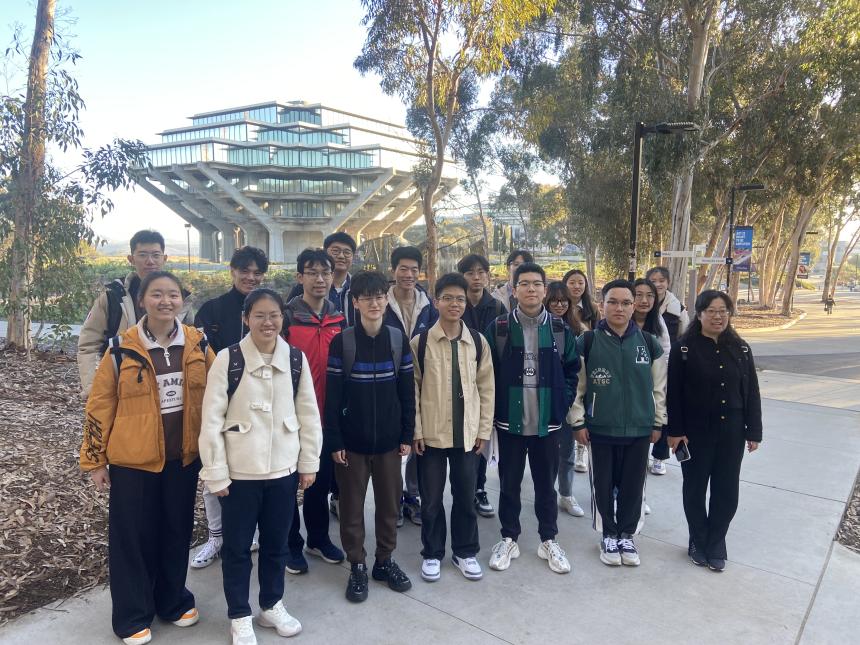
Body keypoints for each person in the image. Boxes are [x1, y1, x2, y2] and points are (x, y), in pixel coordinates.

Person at [80, 271, 213, 645]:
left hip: (182, 458)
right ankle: (132, 615)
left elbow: (219, 396)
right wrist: (94, 460)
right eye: (157, 294)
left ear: (182, 301)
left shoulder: (198, 345)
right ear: (143, 300)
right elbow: (99, 405)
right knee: (132, 540)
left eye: (173, 294)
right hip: (133, 462)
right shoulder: (121, 350)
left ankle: (172, 600)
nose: (166, 301)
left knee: (176, 531)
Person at [199, 288, 321, 644]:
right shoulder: (228, 359)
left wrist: (308, 463)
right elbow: (210, 420)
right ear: (245, 318)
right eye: (259, 315)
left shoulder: (295, 360)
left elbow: (309, 416)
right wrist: (216, 472)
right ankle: (239, 614)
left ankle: (271, 605)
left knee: (276, 544)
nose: (268, 322)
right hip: (239, 476)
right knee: (237, 549)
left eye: (274, 315)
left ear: (283, 319)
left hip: (282, 473)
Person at [324, 271, 416, 603]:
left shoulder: (397, 339)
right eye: (367, 297)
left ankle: (384, 560)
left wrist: (407, 432)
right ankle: (358, 564)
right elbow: (332, 398)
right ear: (355, 302)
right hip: (352, 445)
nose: (374, 302)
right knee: (351, 508)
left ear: (386, 299)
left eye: (379, 296)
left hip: (390, 442)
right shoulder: (343, 342)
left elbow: (407, 391)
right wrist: (334, 441)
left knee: (390, 505)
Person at [485, 263, 580, 575]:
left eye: (536, 284)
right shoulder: (498, 327)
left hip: (547, 424)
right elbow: (486, 374)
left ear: (544, 289)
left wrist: (561, 404)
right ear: (514, 289)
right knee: (509, 484)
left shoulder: (559, 329)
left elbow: (571, 371)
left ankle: (548, 539)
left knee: (545, 486)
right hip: (509, 422)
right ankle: (509, 538)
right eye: (523, 284)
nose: (530, 289)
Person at [569, 279, 667, 568]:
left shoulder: (649, 344)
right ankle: (608, 533)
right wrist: (578, 422)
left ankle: (627, 534)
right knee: (602, 484)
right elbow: (577, 388)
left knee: (633, 486)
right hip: (600, 428)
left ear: (634, 306)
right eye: (613, 301)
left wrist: (658, 422)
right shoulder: (586, 342)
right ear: (602, 304)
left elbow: (659, 389)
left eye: (626, 302)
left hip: (640, 428)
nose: (619, 308)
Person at [667, 290, 762, 572]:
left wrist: (753, 431)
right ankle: (698, 538)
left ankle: (716, 540)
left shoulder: (741, 349)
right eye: (711, 311)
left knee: (727, 490)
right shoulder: (684, 348)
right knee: (695, 489)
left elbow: (752, 392)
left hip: (731, 431)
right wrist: (675, 431)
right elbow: (674, 395)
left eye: (723, 311)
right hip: (695, 433)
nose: (718, 316)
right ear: (700, 314)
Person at [412, 273, 495, 582]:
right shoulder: (420, 343)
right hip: (431, 436)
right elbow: (412, 391)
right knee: (431, 500)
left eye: (460, 299)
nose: (455, 304)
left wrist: (484, 431)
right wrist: (416, 430)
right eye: (448, 298)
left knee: (464, 497)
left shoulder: (476, 341)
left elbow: (487, 388)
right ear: (437, 302)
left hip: (467, 436)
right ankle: (432, 553)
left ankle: (465, 552)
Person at [191, 246, 268, 569]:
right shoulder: (211, 310)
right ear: (232, 272)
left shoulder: (269, 309)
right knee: (214, 469)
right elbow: (198, 358)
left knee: (256, 470)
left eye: (256, 272)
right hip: (217, 404)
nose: (250, 277)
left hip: (258, 404)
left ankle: (252, 533)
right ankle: (216, 536)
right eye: (244, 271)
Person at [282, 248, 346, 574]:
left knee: (319, 483)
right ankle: (290, 544)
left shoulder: (339, 317)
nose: (320, 279)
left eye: (326, 272)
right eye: (312, 272)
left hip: (326, 418)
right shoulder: (286, 318)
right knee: (288, 485)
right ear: (300, 277)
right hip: (290, 418)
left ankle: (318, 538)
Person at [77, 230, 193, 399]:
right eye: (143, 255)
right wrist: (94, 386)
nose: (150, 261)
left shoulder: (180, 299)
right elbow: (89, 344)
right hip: (121, 386)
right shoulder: (113, 298)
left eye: (156, 255)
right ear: (131, 259)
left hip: (169, 388)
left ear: (164, 258)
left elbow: (191, 345)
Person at [375, 246, 438, 526]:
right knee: (393, 443)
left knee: (418, 441)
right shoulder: (381, 303)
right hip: (388, 382)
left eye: (414, 269)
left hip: (423, 383)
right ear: (393, 271)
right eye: (403, 268)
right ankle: (395, 499)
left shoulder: (428, 306)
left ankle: (413, 496)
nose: (409, 274)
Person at [457, 253, 507, 518]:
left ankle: (479, 488)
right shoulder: (455, 304)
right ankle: (463, 490)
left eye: (481, 272)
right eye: (470, 273)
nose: (476, 278)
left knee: (481, 439)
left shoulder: (497, 308)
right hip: (457, 384)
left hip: (487, 383)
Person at [544, 282, 585, 518]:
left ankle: (566, 494)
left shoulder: (580, 330)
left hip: (572, 398)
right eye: (554, 300)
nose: (559, 305)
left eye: (563, 301)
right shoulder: (541, 327)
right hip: (547, 400)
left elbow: (579, 371)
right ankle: (547, 492)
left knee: (567, 451)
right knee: (549, 454)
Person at [562, 268, 600, 474]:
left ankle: (581, 450)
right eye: (572, 282)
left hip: (587, 361)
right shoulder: (559, 305)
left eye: (581, 282)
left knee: (584, 407)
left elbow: (597, 333)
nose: (577, 286)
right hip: (567, 362)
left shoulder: (592, 308)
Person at [633, 279, 672, 478]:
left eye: (649, 295)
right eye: (638, 294)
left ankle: (657, 458)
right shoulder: (621, 318)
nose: (644, 300)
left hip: (652, 385)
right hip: (626, 386)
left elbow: (666, 353)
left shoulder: (657, 321)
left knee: (657, 419)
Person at [287, 232, 357, 325]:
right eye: (335, 251)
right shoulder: (304, 288)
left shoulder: (359, 288)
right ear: (325, 252)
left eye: (347, 252)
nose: (341, 256)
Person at [645, 266, 689, 342]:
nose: (657, 284)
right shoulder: (640, 304)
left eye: (661, 281)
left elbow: (685, 332)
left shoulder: (678, 308)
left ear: (668, 283)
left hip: (670, 351)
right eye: (653, 281)